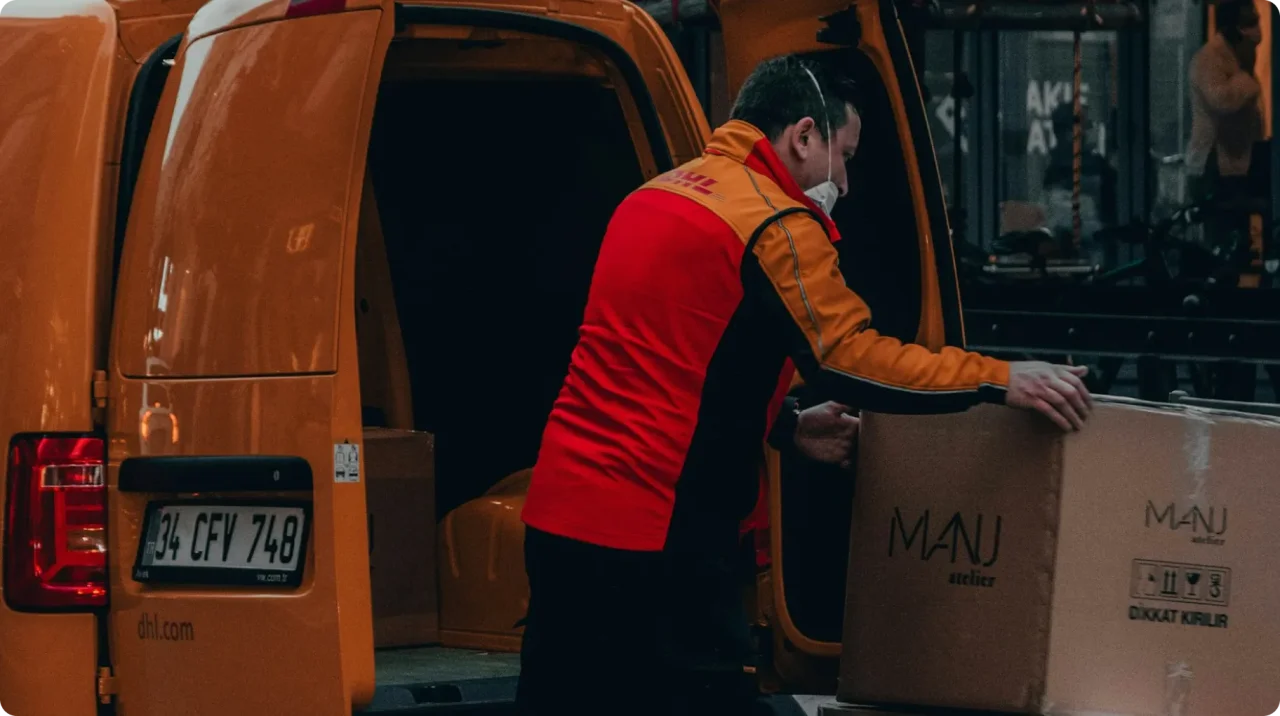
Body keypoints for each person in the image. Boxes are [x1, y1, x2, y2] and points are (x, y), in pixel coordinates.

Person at [515, 54, 1092, 716]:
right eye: (843, 155)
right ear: (803, 136)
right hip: (660, 543)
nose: (843, 181)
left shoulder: (655, 195)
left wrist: (787, 426)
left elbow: (662, 367)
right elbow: (849, 358)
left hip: (560, 523)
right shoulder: (774, 221)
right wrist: (1000, 379)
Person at [1187, 0, 1264, 202]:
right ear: (1233, 28)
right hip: (1213, 165)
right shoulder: (1209, 58)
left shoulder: (1237, 56)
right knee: (1222, 228)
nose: (1258, 29)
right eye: (1250, 22)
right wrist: (1246, 76)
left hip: (1235, 164)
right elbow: (1222, 100)